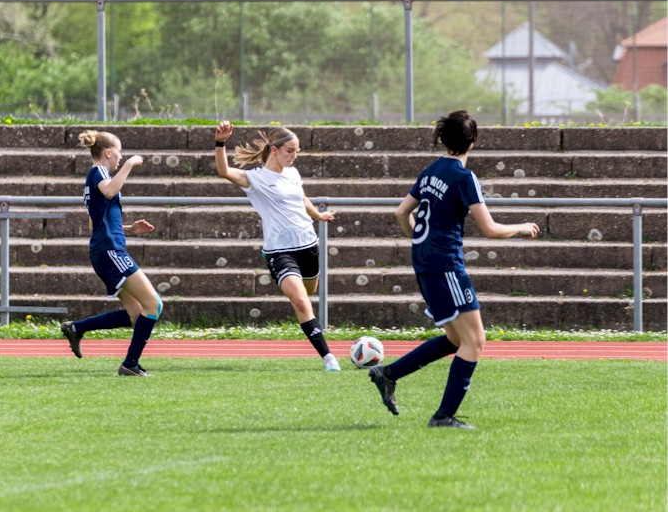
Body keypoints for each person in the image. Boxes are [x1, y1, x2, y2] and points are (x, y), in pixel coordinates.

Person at [368, 110, 540, 429]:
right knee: (475, 340)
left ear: (444, 139)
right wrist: (520, 227)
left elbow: (401, 212)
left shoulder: (432, 169)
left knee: (454, 337)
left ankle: (388, 374)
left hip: (423, 259)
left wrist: (421, 241)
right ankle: (443, 416)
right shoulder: (463, 177)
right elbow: (488, 228)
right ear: (473, 141)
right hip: (445, 263)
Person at [213, 121, 341, 371]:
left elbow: (301, 197)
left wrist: (318, 215)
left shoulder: (292, 173)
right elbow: (224, 171)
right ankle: (329, 358)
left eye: (297, 151)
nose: (294, 156)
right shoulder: (255, 179)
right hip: (280, 252)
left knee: (309, 292)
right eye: (290, 151)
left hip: (308, 245)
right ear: (274, 150)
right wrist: (220, 142)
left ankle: (314, 332)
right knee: (301, 302)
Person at [60, 130, 162, 377]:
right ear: (108, 153)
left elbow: (94, 225)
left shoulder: (96, 177)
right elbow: (108, 191)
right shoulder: (99, 173)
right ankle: (130, 364)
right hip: (109, 251)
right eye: (119, 153)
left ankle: (77, 328)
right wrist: (129, 165)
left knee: (137, 313)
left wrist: (129, 229)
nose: (121, 157)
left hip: (105, 250)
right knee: (154, 305)